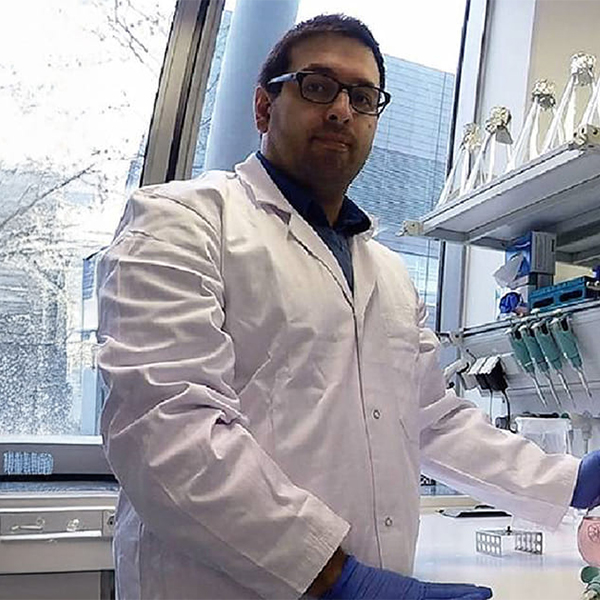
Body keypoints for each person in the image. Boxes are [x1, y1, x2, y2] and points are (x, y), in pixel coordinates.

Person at [97, 13, 600, 600]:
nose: (342, 110)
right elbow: (167, 434)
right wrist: (340, 578)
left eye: (363, 98)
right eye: (317, 87)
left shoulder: (387, 272)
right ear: (263, 107)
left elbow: (429, 418)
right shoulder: (180, 221)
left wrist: (570, 482)